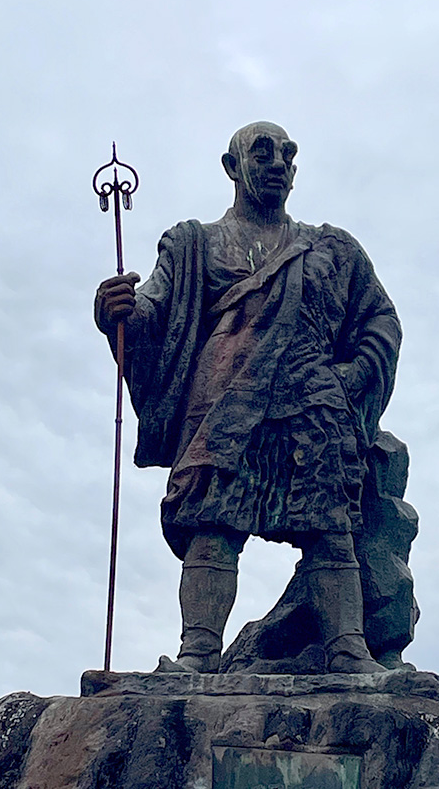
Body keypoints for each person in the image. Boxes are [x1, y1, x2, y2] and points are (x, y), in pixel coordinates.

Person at [95, 121, 402, 674]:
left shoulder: (332, 249)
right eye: (263, 153)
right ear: (232, 166)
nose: (278, 163)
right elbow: (151, 312)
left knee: (331, 530)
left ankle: (347, 651)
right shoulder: (197, 243)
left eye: (288, 155)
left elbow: (380, 318)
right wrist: (116, 309)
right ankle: (198, 654)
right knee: (213, 527)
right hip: (226, 401)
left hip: (313, 402)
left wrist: (354, 377)